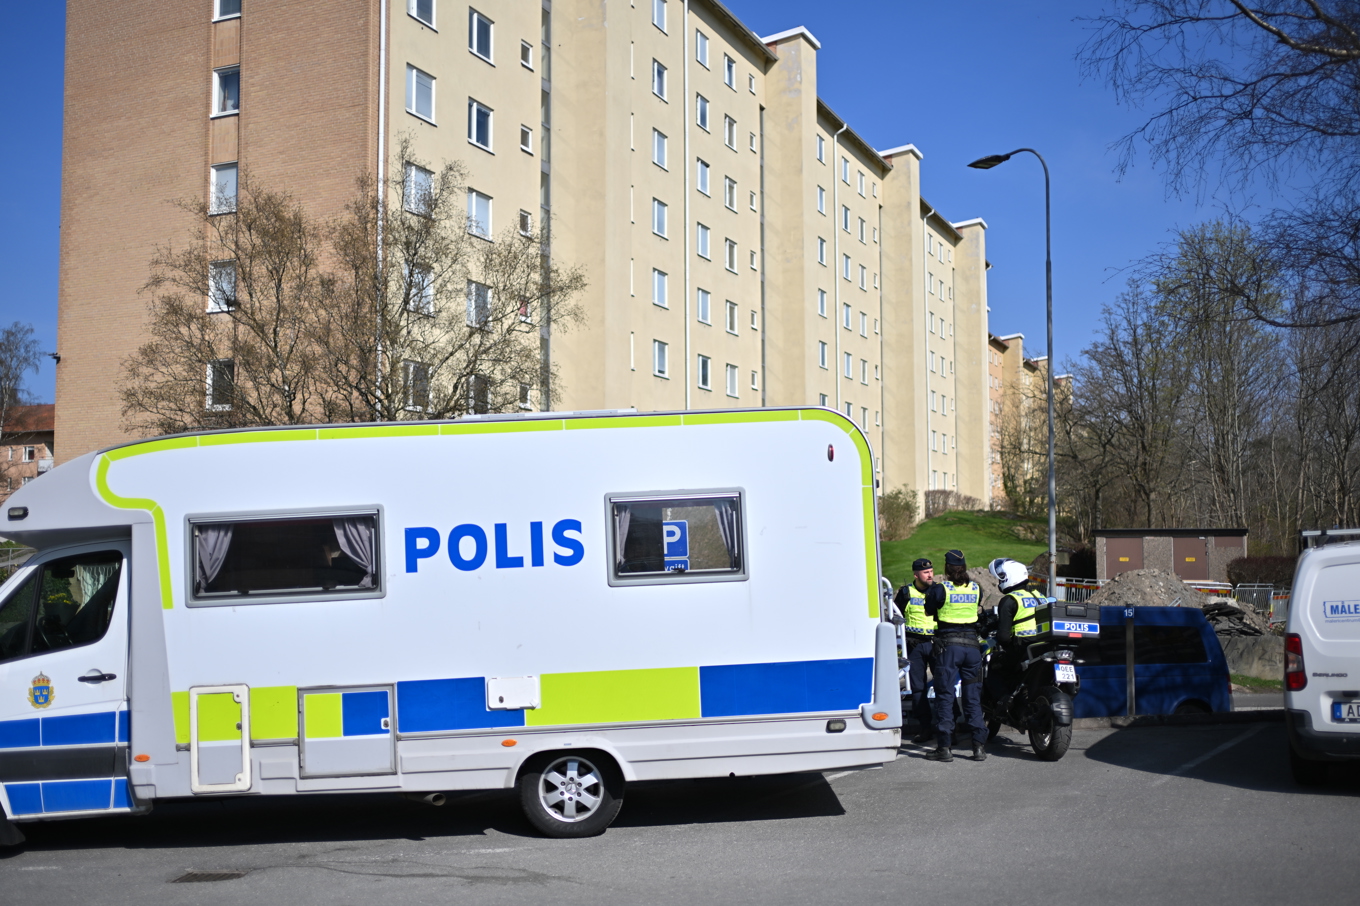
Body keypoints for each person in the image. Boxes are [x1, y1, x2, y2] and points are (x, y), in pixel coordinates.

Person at [922, 549, 987, 762]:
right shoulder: (976, 588)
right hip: (972, 647)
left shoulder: (941, 589)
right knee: (972, 697)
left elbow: (929, 610)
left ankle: (944, 747)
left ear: (947, 569)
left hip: (949, 647)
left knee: (945, 695)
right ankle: (978, 747)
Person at [986, 558, 1044, 702]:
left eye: (1001, 578)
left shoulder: (1010, 600)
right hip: (1042, 647)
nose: (1000, 582)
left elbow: (1004, 637)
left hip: (1022, 648)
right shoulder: (1039, 596)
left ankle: (1004, 701)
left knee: (994, 666)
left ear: (1009, 577)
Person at [893, 558, 938, 744]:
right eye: (926, 572)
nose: (930, 575)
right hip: (914, 645)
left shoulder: (938, 590)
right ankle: (925, 727)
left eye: (931, 571)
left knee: (944, 685)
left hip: (936, 643)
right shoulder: (905, 593)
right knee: (918, 688)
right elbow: (896, 617)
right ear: (916, 574)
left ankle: (948, 729)